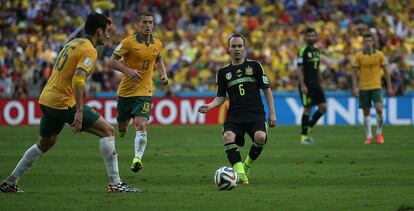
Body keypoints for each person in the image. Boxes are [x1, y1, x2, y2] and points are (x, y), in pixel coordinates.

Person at [0, 13, 139, 193]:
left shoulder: (72, 43)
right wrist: (79, 111)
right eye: (108, 31)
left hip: (46, 98)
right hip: (62, 102)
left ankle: (11, 181)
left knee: (45, 142)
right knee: (107, 130)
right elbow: (79, 79)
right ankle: (115, 183)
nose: (109, 35)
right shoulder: (89, 50)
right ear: (99, 31)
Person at [198, 33, 276, 184]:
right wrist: (210, 105)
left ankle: (246, 166)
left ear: (244, 48)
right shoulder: (223, 72)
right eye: (233, 46)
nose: (237, 49)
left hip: (255, 113)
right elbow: (220, 97)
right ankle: (240, 174)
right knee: (228, 136)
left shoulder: (255, 66)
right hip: (235, 115)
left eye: (240, 46)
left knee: (261, 137)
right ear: (228, 49)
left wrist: (272, 113)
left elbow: (266, 89)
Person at [108, 10, 168, 173]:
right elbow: (111, 62)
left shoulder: (157, 43)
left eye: (150, 22)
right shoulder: (128, 42)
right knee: (121, 127)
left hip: (145, 91)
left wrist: (163, 75)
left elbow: (158, 59)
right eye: (145, 22)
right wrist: (128, 71)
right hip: (126, 92)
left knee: (141, 124)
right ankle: (122, 127)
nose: (148, 25)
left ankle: (137, 159)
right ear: (138, 25)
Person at [351, 33, 393, 144]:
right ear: (363, 43)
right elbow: (354, 73)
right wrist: (355, 87)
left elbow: (387, 72)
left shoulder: (379, 55)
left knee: (379, 109)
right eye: (366, 41)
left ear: (373, 42)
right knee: (366, 112)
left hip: (376, 86)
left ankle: (379, 133)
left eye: (370, 41)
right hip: (364, 87)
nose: (368, 43)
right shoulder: (359, 56)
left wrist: (389, 86)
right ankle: (369, 136)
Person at [296, 28, 326, 145]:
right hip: (306, 84)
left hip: (316, 83)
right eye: (309, 36)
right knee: (307, 108)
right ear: (305, 37)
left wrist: (321, 82)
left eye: (313, 35)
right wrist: (302, 85)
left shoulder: (317, 51)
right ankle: (304, 137)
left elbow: (317, 68)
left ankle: (307, 128)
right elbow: (299, 69)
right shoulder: (302, 50)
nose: (311, 37)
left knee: (323, 107)